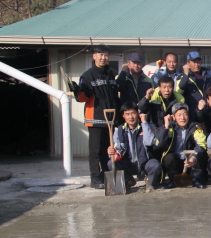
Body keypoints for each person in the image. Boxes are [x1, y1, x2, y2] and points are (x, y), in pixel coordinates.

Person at [69, 44, 119, 189]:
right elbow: (83, 98)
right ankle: (95, 178)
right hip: (95, 118)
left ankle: (106, 175)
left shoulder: (112, 74)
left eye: (106, 55)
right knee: (95, 151)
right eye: (100, 55)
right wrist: (77, 91)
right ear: (94, 56)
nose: (103, 58)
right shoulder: (88, 75)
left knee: (107, 150)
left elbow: (116, 95)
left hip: (110, 118)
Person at [106, 102, 162, 189]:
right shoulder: (119, 130)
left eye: (133, 113)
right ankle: (128, 180)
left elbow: (149, 142)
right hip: (128, 164)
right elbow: (118, 151)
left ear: (138, 114)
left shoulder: (147, 126)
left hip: (144, 164)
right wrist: (111, 152)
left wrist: (144, 122)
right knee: (111, 163)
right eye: (127, 114)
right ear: (123, 116)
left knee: (155, 165)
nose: (131, 117)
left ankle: (148, 180)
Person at [155, 103, 208, 189]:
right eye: (179, 115)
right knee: (169, 157)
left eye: (185, 114)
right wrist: (166, 127)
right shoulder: (169, 127)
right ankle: (173, 180)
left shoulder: (195, 127)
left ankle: (195, 179)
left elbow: (201, 144)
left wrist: (193, 157)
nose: (182, 118)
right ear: (173, 117)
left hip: (190, 161)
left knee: (201, 154)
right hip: (176, 162)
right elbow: (160, 144)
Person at [178, 51, 211, 121]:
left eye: (198, 62)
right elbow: (181, 86)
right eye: (194, 62)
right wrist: (186, 74)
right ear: (188, 63)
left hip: (207, 111)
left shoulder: (207, 75)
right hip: (192, 112)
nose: (196, 64)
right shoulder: (183, 76)